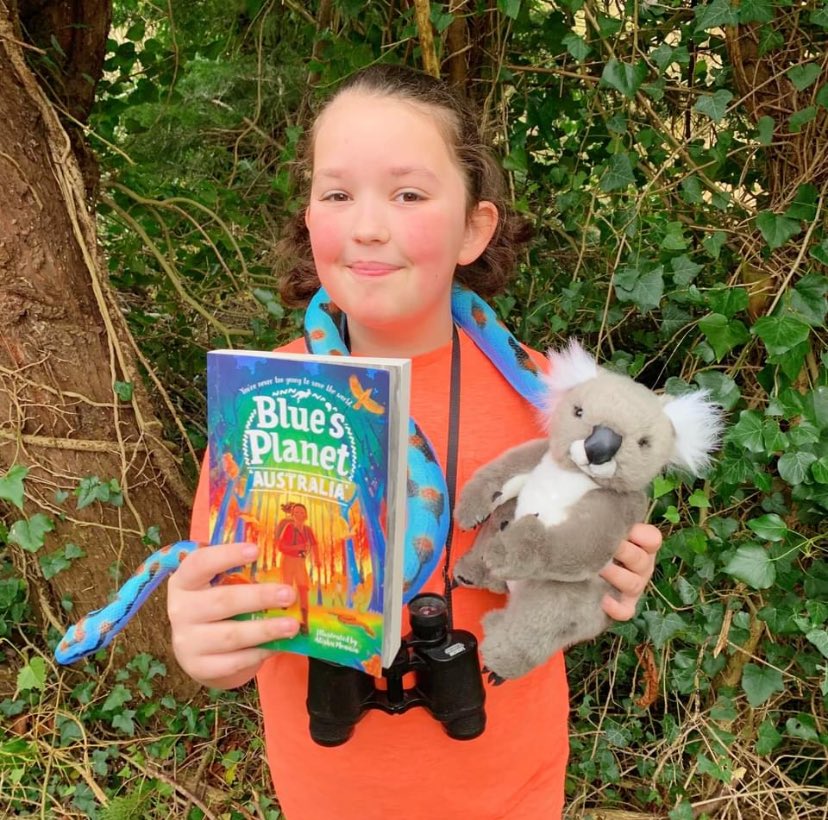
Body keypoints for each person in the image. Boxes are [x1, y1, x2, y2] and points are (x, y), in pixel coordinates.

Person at [168, 64, 662, 819]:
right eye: (337, 194)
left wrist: (613, 570)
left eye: (408, 193)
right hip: (329, 797)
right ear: (308, 219)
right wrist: (208, 649)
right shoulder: (263, 401)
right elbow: (231, 603)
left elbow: (593, 552)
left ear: (475, 227)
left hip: (513, 791)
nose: (367, 225)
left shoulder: (555, 401)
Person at [275, 502, 320, 634]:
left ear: (306, 515)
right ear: (292, 515)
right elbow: (281, 547)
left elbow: (315, 545)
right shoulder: (289, 528)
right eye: (296, 513)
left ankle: (305, 622)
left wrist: (317, 559)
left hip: (300, 562)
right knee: (287, 586)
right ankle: (283, 610)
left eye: (301, 512)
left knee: (303, 588)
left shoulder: (308, 530)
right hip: (288, 561)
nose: (299, 515)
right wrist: (297, 547)